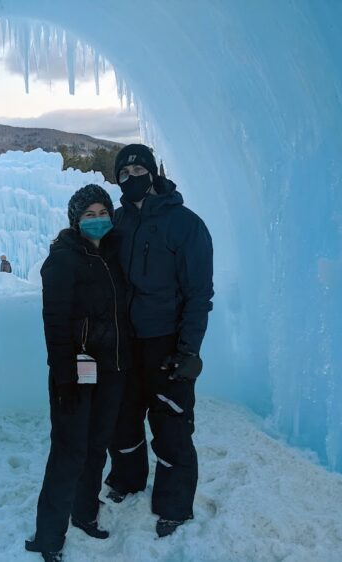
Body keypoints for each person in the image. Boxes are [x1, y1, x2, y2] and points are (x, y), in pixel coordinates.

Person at [104, 144, 214, 538]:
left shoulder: (185, 224)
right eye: (124, 171)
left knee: (171, 423)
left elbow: (199, 293)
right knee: (123, 417)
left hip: (166, 341)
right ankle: (127, 480)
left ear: (153, 173)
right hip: (126, 342)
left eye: (138, 168)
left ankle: (174, 505)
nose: (131, 176)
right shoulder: (116, 223)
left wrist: (189, 350)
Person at [26, 184, 131, 562]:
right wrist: (64, 375)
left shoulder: (115, 255)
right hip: (76, 372)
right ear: (76, 219)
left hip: (112, 368)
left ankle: (85, 512)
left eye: (103, 212)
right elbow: (54, 323)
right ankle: (48, 536)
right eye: (89, 214)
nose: (97, 220)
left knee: (97, 444)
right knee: (69, 450)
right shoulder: (63, 259)